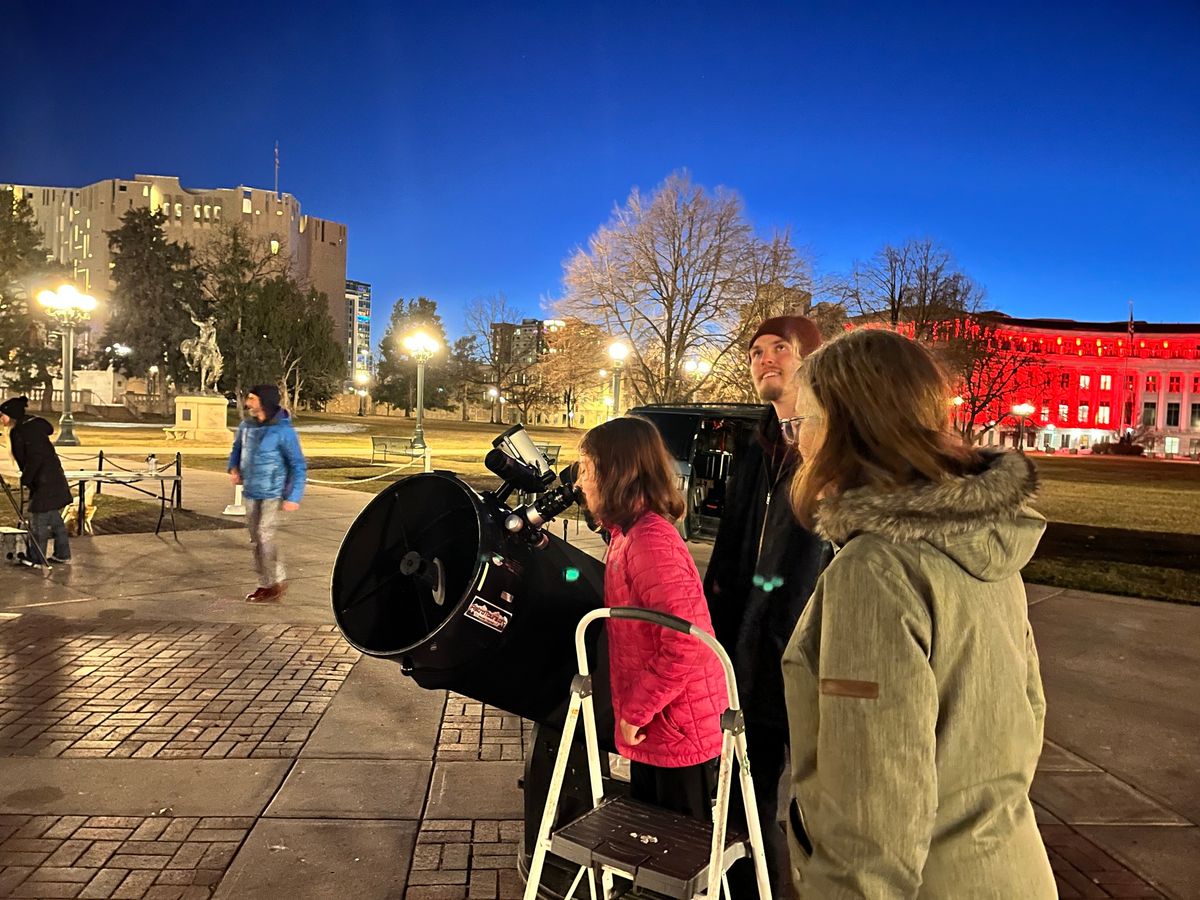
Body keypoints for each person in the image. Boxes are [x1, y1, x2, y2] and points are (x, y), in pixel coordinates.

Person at [782, 328, 1055, 897]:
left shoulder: (877, 570)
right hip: (1009, 868)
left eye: (801, 421)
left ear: (844, 426)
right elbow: (1028, 711)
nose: (796, 442)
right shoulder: (984, 543)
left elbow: (872, 817)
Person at [703, 315, 827, 897]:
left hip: (802, 645)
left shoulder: (830, 448)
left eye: (782, 348)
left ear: (813, 360)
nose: (765, 359)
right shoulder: (759, 446)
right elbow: (732, 544)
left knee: (805, 795)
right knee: (743, 783)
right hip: (742, 642)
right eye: (756, 351)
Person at [575, 416, 726, 820]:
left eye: (587, 470)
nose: (580, 483)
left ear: (614, 473)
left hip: (675, 724)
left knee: (676, 852)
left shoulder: (649, 541)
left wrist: (635, 712)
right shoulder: (628, 534)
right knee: (652, 840)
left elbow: (686, 642)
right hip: (664, 721)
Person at [227, 384, 307, 602]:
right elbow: (236, 449)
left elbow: (298, 464)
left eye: (252, 398)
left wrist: (293, 496)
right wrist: (233, 467)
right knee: (256, 539)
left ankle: (274, 582)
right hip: (251, 490)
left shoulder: (283, 430)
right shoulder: (246, 426)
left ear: (264, 401)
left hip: (273, 491)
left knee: (265, 534)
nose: (247, 402)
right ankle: (267, 581)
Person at [0, 395, 73, 565]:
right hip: (50, 479)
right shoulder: (27, 427)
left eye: (2, 415)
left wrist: (27, 477)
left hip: (45, 481)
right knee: (54, 519)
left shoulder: (24, 430)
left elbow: (35, 457)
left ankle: (37, 557)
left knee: (38, 519)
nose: (1, 419)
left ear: (12, 415)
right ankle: (62, 554)